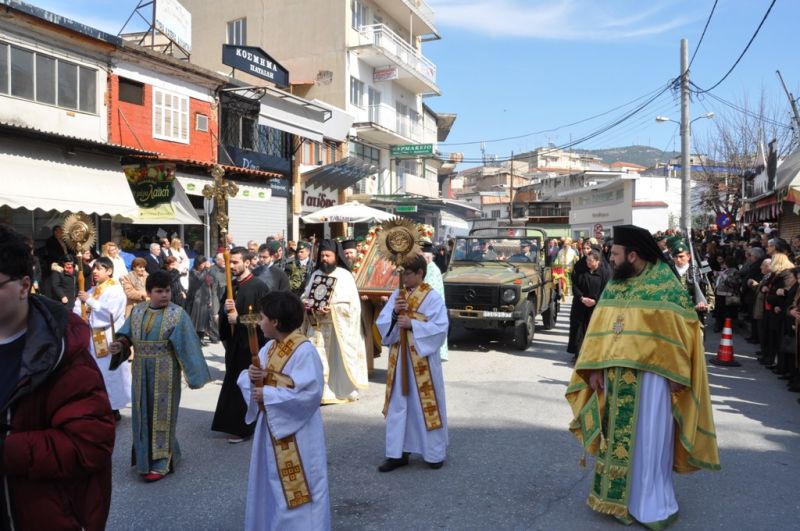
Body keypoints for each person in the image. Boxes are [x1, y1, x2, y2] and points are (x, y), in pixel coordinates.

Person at [565, 225, 719, 528]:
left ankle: (650, 504)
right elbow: (600, 328)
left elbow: (682, 332)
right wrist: (595, 367)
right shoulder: (616, 284)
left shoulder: (666, 285)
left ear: (633, 255)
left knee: (649, 442)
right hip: (615, 376)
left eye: (617, 254)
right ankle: (612, 496)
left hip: (653, 382)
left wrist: (679, 373)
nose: (612, 258)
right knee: (617, 439)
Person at [0, 224, 115, 530]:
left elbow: (91, 444)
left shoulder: (64, 354)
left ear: (25, 285)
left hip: (41, 512)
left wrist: (7, 448)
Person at [237, 291, 331, 530]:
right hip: (271, 428)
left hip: (298, 433)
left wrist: (266, 393)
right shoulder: (269, 348)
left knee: (299, 489)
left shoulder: (305, 352)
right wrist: (253, 378)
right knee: (271, 484)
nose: (260, 322)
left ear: (275, 322)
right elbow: (262, 378)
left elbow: (309, 394)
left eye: (263, 318)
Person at [109, 270, 211, 482]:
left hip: (166, 369)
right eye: (159, 291)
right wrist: (119, 345)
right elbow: (126, 336)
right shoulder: (137, 311)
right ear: (148, 293)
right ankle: (146, 457)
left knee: (162, 414)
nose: (164, 295)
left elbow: (189, 345)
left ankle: (161, 462)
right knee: (141, 412)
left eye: (167, 291)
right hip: (139, 370)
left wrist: (195, 375)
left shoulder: (177, 314)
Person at [376, 254, 449, 472]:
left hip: (423, 362)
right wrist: (395, 314)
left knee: (425, 406)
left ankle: (434, 453)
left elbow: (440, 328)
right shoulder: (396, 296)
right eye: (400, 273)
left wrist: (413, 325)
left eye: (407, 274)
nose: (403, 278)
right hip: (400, 361)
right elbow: (383, 322)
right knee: (399, 406)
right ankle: (397, 453)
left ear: (419, 273)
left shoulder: (433, 297)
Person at [212, 247, 270, 443]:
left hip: (251, 344)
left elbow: (265, 318)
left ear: (247, 262)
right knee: (233, 383)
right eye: (230, 263)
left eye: (236, 262)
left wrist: (240, 318)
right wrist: (225, 310)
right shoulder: (232, 285)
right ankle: (230, 422)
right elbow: (226, 317)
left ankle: (244, 427)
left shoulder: (259, 286)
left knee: (245, 385)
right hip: (235, 344)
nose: (232, 266)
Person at [302, 239, 368, 404]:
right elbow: (305, 296)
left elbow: (353, 306)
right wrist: (308, 305)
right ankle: (320, 392)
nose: (324, 258)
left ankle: (340, 390)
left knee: (338, 362)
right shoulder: (316, 275)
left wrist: (333, 308)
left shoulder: (344, 276)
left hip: (338, 328)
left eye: (328, 255)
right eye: (322, 255)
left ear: (336, 257)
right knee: (317, 359)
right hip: (317, 326)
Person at [75, 256, 131, 421]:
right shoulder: (93, 290)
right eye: (93, 269)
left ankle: (113, 408)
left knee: (110, 373)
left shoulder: (115, 290)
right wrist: (81, 309)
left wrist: (90, 302)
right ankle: (99, 405)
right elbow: (78, 309)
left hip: (107, 334)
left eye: (99, 268)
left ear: (109, 271)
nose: (95, 272)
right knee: (96, 372)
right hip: (93, 336)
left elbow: (110, 313)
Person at [567, 248, 610, 361]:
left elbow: (607, 290)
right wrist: (582, 298)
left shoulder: (605, 273)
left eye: (590, 261)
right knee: (579, 330)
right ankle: (578, 355)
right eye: (587, 260)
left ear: (597, 261)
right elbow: (575, 285)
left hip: (597, 306)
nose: (588, 263)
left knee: (593, 331)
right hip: (580, 304)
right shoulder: (581, 269)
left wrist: (595, 301)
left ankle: (593, 357)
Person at [422, 241, 449, 361]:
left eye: (427, 255)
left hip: (431, 312)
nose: (425, 258)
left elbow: (430, 292)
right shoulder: (424, 268)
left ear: (432, 256)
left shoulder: (433, 269)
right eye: (422, 255)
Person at [186, 256, 217, 344]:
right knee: (196, 320)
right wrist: (206, 270)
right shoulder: (193, 272)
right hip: (196, 299)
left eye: (205, 263)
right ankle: (195, 338)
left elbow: (209, 284)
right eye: (202, 263)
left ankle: (201, 338)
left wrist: (209, 298)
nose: (204, 265)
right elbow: (199, 279)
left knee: (204, 320)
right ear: (198, 263)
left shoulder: (205, 272)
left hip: (205, 297)